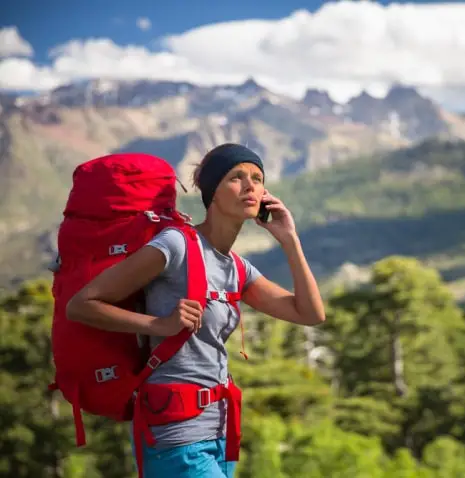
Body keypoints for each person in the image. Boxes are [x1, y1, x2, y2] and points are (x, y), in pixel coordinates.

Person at [66, 143, 326, 477]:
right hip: (174, 434)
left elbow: (310, 314)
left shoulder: (237, 268)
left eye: (258, 179)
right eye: (237, 177)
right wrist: (159, 324)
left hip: (221, 434)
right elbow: (82, 305)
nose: (251, 186)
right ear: (212, 191)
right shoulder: (175, 245)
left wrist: (290, 240)